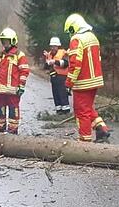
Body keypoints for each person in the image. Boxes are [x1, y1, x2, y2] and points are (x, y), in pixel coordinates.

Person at [63, 13, 110, 142]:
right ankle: (102, 129)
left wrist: (69, 83)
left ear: (73, 27)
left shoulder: (76, 39)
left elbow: (75, 65)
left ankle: (85, 140)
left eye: (70, 31)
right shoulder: (93, 37)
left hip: (82, 82)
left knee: (81, 111)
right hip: (95, 80)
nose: (70, 34)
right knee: (88, 108)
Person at [0, 27, 29, 134]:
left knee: (13, 110)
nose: (5, 44)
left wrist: (21, 86)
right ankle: (0, 129)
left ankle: (12, 130)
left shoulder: (19, 55)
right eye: (3, 41)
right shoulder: (0, 55)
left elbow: (24, 71)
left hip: (13, 91)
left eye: (7, 41)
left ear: (13, 41)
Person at [43, 37, 71, 115]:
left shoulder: (63, 53)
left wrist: (54, 61)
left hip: (62, 78)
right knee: (56, 95)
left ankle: (66, 112)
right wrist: (47, 60)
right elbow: (45, 67)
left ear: (58, 46)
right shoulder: (49, 54)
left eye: (54, 46)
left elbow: (65, 63)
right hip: (54, 78)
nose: (52, 48)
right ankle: (59, 112)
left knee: (63, 95)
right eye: (51, 46)